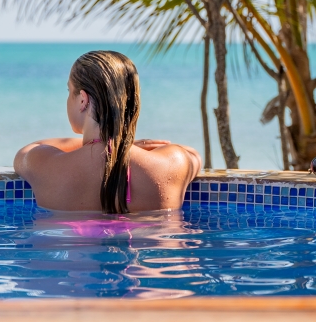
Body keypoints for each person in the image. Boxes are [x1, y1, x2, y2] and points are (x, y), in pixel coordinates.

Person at [13, 50, 202, 213]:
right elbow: (193, 155)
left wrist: (101, 144)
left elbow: (28, 150)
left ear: (82, 100)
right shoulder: (173, 164)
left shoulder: (45, 166)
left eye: (69, 90)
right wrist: (121, 144)